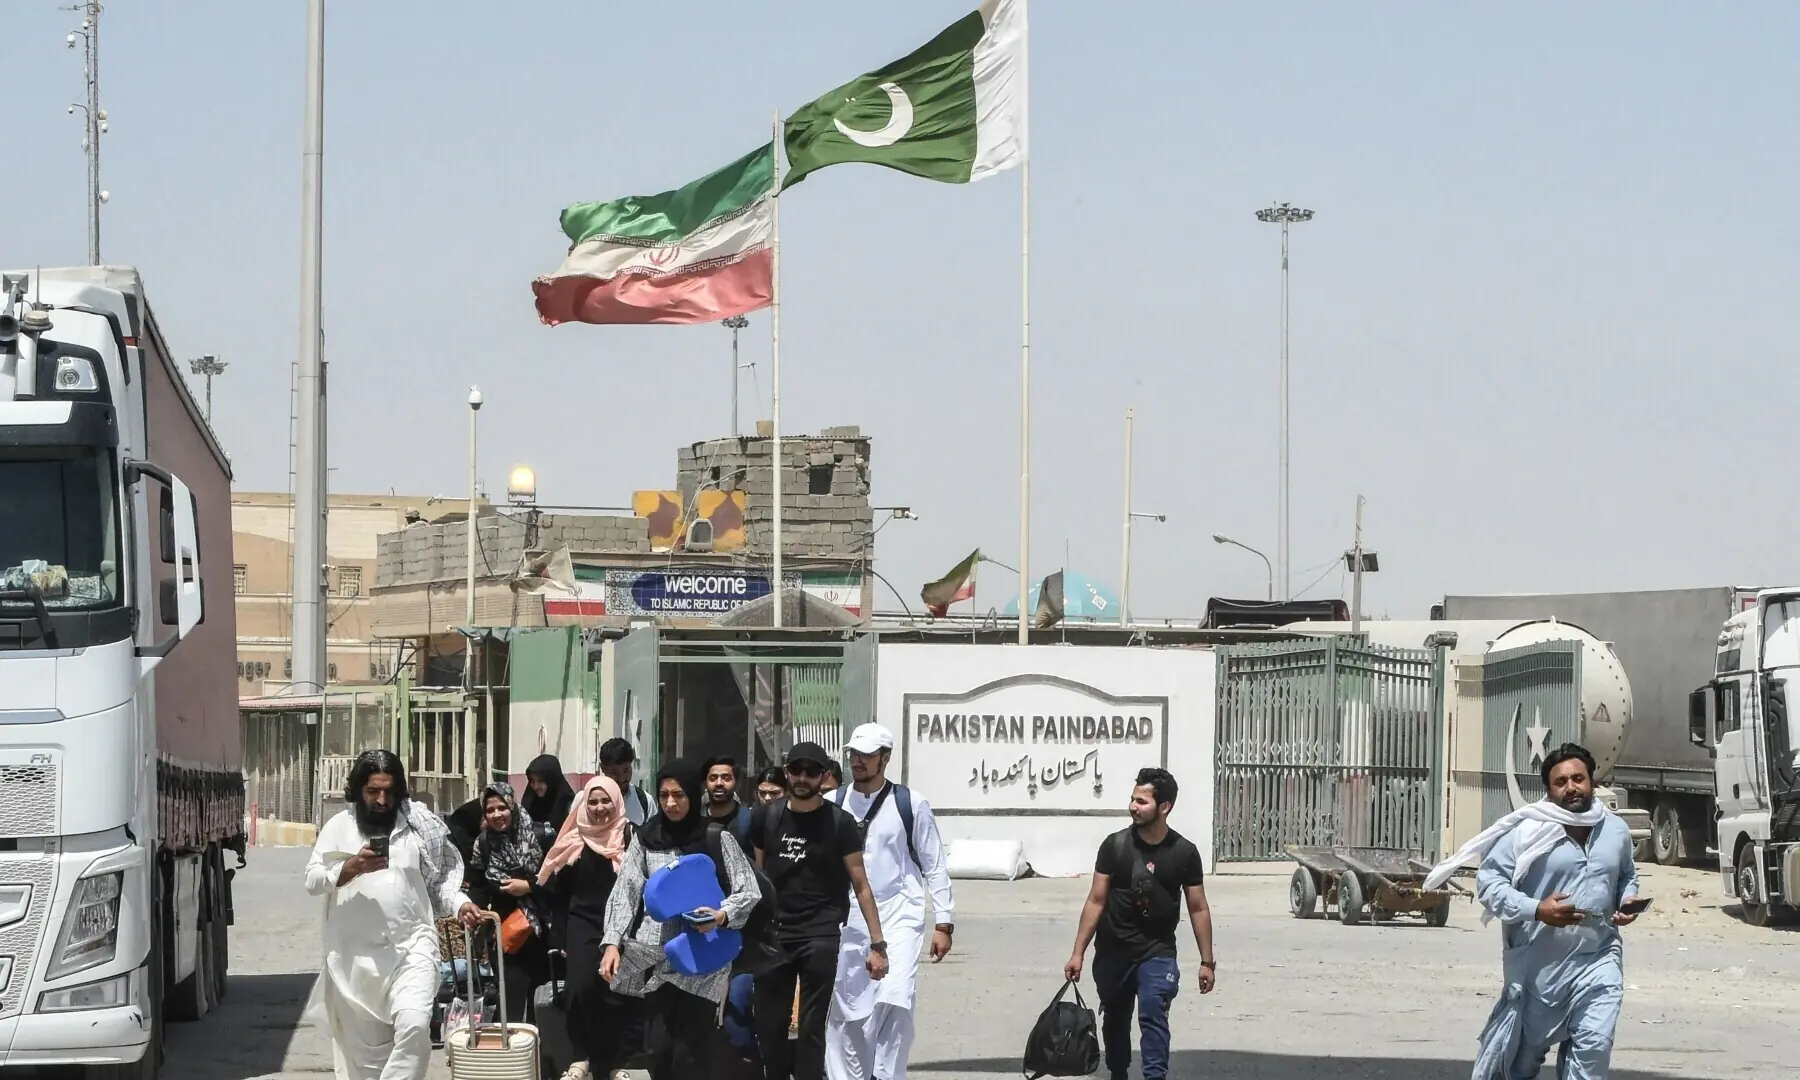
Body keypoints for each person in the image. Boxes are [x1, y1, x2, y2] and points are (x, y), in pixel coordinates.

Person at [1424, 743, 1640, 1080]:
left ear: (1592, 781)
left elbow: (1627, 875)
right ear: (1549, 790)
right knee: (1516, 1066)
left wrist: (1628, 900)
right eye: (1561, 782)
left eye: (1578, 778)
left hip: (1599, 960)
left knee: (1594, 1049)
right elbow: (1490, 884)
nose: (1571, 787)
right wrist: (1537, 909)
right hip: (1539, 971)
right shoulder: (1527, 831)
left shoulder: (1615, 830)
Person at [304, 750, 480, 1080]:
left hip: (412, 949)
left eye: (389, 791)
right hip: (355, 965)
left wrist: (460, 905)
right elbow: (312, 880)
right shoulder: (339, 827)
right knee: (367, 1069)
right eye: (373, 791)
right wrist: (350, 867)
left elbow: (438, 881)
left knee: (414, 1025)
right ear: (358, 790)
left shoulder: (418, 828)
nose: (382, 800)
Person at [600, 759, 761, 1079]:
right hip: (656, 957)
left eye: (679, 795)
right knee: (657, 1048)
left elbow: (748, 889)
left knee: (692, 1052)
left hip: (702, 960)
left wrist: (721, 915)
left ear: (693, 794)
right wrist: (612, 941)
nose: (671, 803)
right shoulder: (646, 839)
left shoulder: (716, 837)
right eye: (664, 795)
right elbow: (626, 891)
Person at [1064, 767, 1214, 1080]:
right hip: (1112, 952)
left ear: (1164, 807)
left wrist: (1207, 961)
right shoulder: (1114, 846)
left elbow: (1197, 907)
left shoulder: (1184, 852)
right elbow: (1096, 900)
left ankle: (1154, 1076)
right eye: (1133, 799)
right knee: (1116, 1019)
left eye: (1142, 801)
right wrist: (1078, 951)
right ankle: (1118, 1072)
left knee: (1153, 1012)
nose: (1133, 806)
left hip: (1157, 952)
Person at [825, 723, 955, 1080]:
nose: (859, 762)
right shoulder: (833, 804)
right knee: (849, 1009)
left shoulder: (910, 804)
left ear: (886, 758)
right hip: (847, 920)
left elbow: (934, 863)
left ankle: (887, 1075)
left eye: (867, 755)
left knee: (895, 999)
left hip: (901, 916)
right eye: (854, 755)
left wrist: (944, 922)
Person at [753, 741, 890, 1080]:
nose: (802, 777)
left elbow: (860, 884)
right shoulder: (766, 818)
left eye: (811, 772)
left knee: (812, 1028)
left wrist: (878, 945)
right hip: (775, 933)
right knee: (770, 1026)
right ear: (787, 773)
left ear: (824, 776)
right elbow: (757, 880)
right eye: (796, 770)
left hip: (821, 933)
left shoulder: (839, 823)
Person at [538, 775, 638, 1080]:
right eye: (592, 801)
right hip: (582, 922)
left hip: (620, 926)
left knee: (616, 992)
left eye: (605, 800)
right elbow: (558, 895)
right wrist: (559, 936)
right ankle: (580, 1057)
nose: (599, 808)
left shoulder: (630, 838)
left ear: (616, 801)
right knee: (580, 988)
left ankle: (613, 1063)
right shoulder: (573, 841)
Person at [470, 781, 550, 1025]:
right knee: (511, 996)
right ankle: (513, 1055)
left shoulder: (540, 835)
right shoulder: (483, 844)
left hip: (542, 927)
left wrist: (528, 886)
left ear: (512, 806)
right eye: (490, 810)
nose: (497, 815)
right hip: (506, 929)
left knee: (541, 998)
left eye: (501, 808)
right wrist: (472, 909)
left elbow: (557, 880)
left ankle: (542, 1057)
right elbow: (479, 886)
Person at [524, 754, 578, 850]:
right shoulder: (530, 802)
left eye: (541, 781)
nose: (535, 786)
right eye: (532, 781)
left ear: (552, 780)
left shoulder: (568, 805)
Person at [600, 738, 653, 826]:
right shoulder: (585, 800)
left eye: (626, 770)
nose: (621, 778)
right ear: (603, 768)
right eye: (614, 773)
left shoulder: (645, 801)